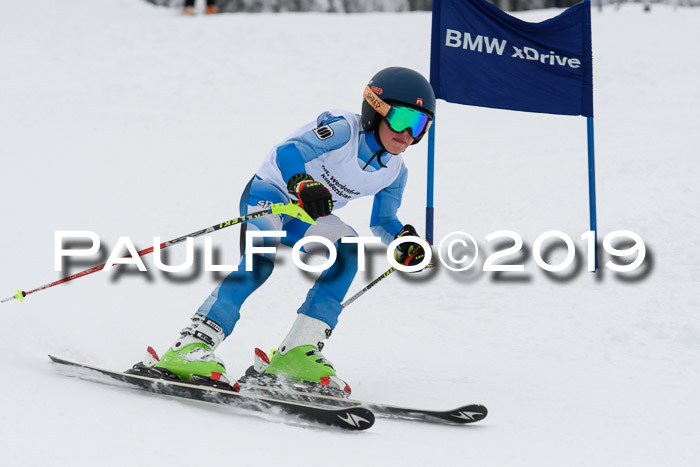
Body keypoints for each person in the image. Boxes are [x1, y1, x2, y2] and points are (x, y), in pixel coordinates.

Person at [147, 67, 435, 395]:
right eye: (402, 119)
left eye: (421, 124)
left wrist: (405, 243)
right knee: (260, 262)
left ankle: (296, 352)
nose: (409, 133)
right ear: (375, 109)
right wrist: (301, 181)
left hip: (306, 214)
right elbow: (288, 151)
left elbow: (383, 222)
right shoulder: (344, 129)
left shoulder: (395, 172)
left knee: (349, 251)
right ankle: (190, 345)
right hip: (270, 196)